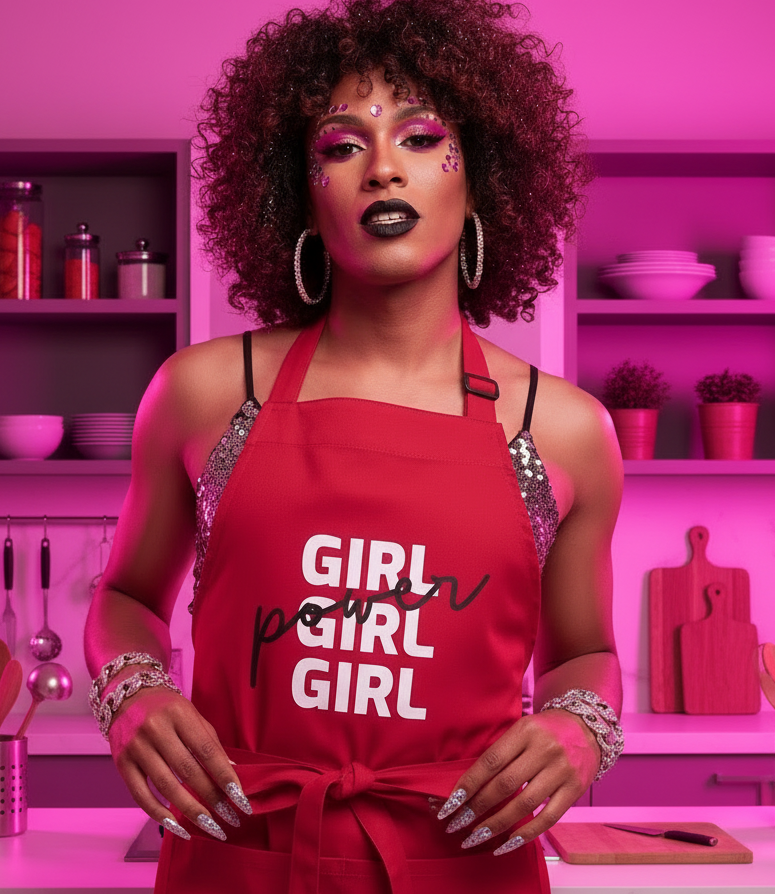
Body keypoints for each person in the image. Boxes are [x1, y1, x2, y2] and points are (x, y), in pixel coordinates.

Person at [84, 1, 624, 891]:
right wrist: (131, 689)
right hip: (239, 859)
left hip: (466, 863)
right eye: (341, 147)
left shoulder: (564, 429)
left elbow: (584, 655)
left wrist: (580, 726)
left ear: (481, 181)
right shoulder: (204, 394)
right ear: (299, 195)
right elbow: (126, 598)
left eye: (421, 138)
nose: (382, 169)